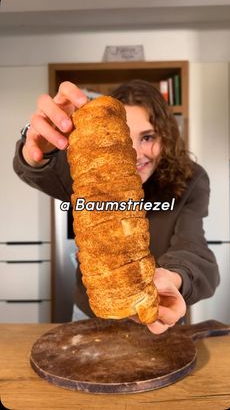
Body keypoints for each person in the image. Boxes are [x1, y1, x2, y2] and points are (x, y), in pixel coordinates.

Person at [13, 80, 219, 335]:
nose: (133, 153)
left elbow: (193, 247)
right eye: (123, 136)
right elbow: (40, 169)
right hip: (92, 311)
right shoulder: (92, 171)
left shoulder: (191, 179)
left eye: (147, 137)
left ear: (166, 137)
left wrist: (173, 277)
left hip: (156, 306)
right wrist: (33, 147)